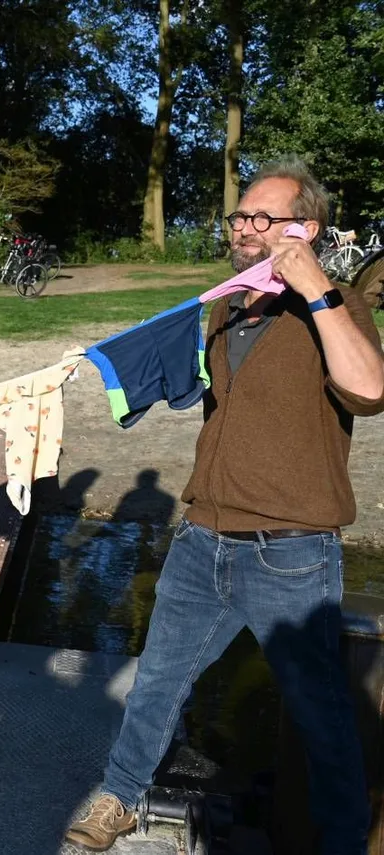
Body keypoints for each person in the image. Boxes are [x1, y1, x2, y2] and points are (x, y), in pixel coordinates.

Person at [66, 160, 384, 853]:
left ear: (308, 229)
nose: (243, 228)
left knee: (320, 714)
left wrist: (318, 292)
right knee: (157, 681)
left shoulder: (336, 305)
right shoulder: (228, 304)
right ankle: (120, 795)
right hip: (204, 533)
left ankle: (342, 841)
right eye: (240, 216)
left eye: (261, 218)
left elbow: (368, 389)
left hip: (293, 548)